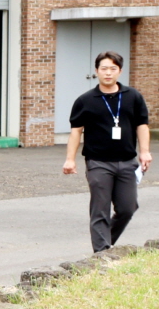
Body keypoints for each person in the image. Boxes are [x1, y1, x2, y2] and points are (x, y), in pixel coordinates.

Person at [63, 50, 152, 253]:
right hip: (98, 162)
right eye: (104, 69)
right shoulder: (86, 100)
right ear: (96, 71)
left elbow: (142, 125)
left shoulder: (133, 97)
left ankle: (106, 242)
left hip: (127, 161)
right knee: (100, 210)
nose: (108, 73)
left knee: (128, 208)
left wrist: (145, 152)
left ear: (120, 71)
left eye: (113, 68)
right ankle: (101, 253)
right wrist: (70, 159)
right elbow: (76, 131)